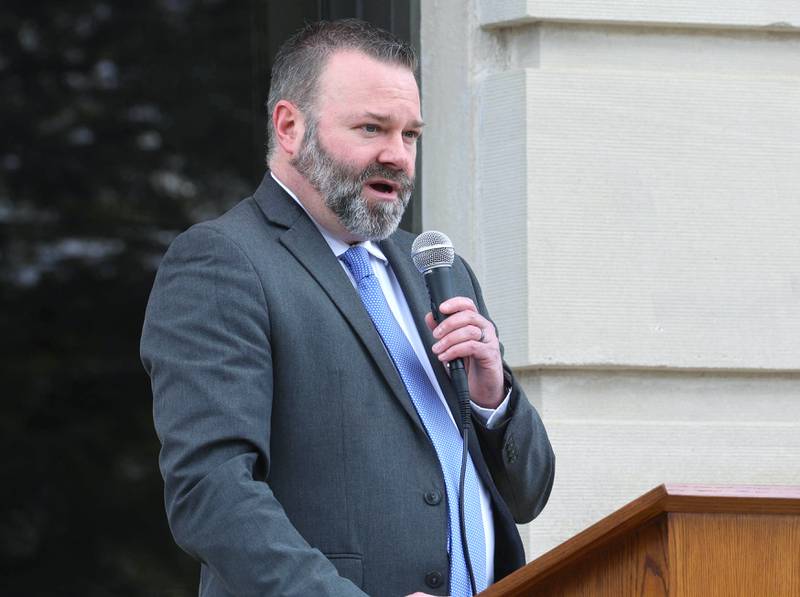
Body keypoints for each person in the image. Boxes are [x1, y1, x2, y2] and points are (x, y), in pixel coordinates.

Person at [141, 19, 554, 597]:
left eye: (410, 135)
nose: (398, 156)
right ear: (289, 127)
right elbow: (211, 492)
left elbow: (527, 494)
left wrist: (493, 400)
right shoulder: (224, 263)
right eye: (371, 128)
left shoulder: (436, 268)